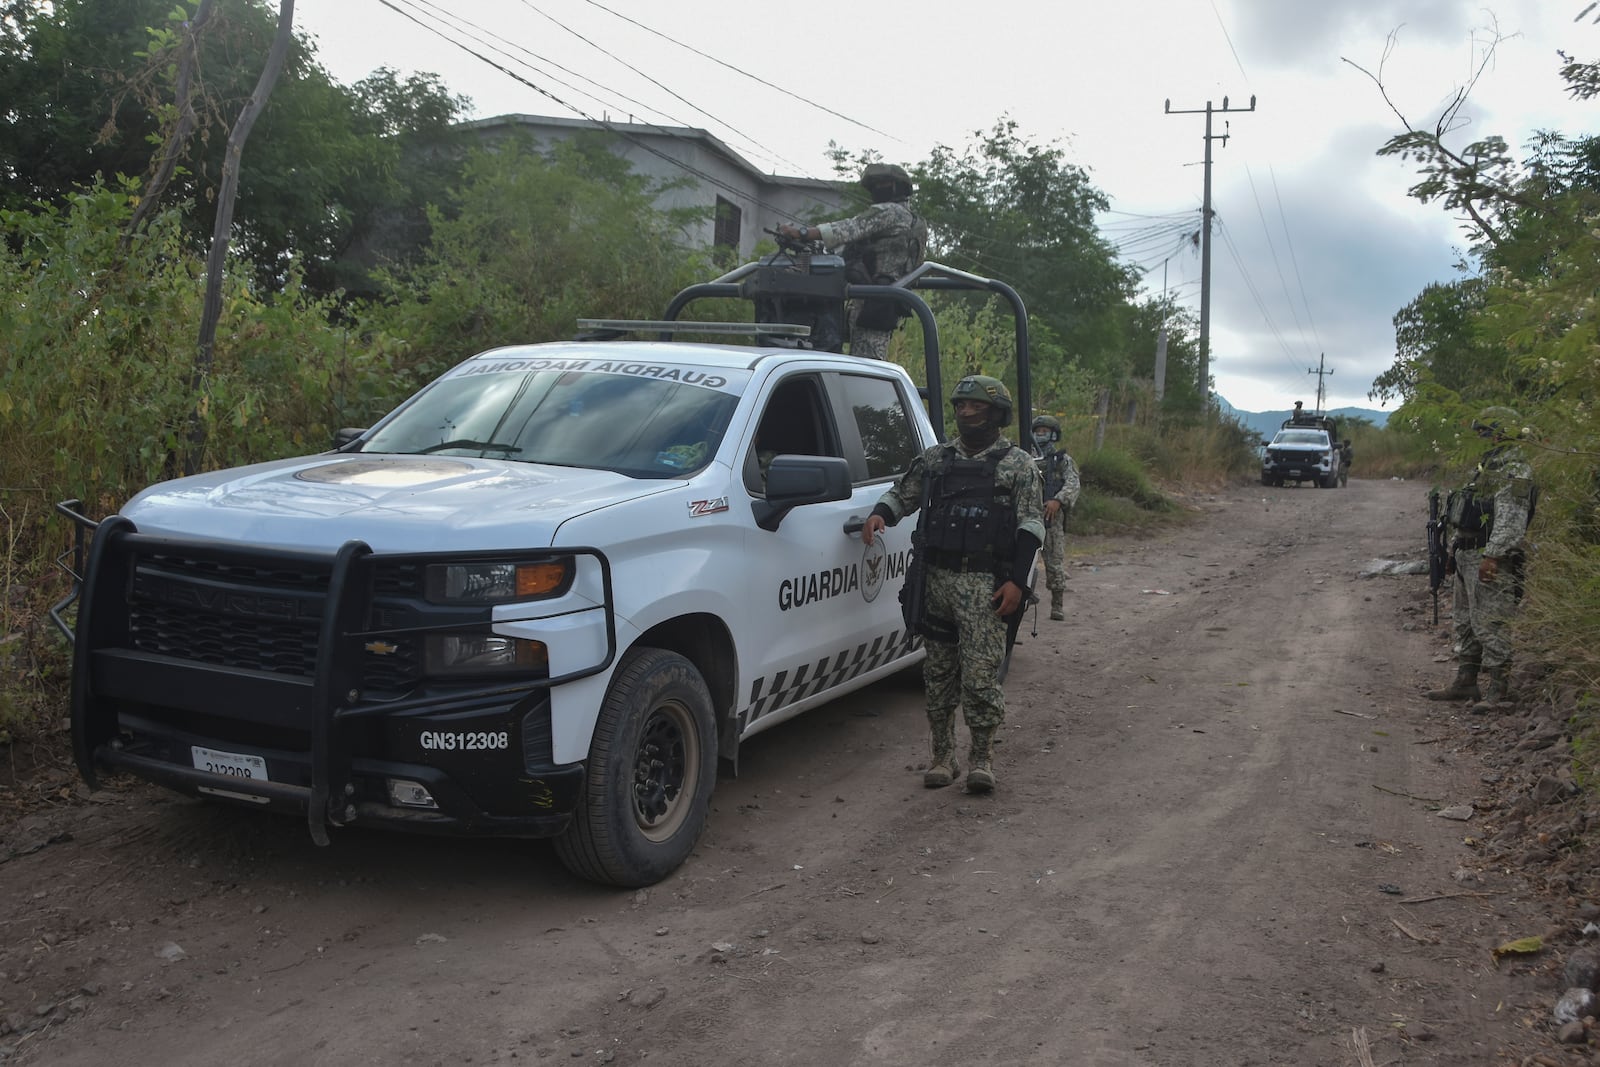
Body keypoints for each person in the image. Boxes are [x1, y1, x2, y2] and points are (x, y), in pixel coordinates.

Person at [862, 375, 1044, 793]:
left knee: (980, 679)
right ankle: (943, 757)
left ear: (996, 414)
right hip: (937, 582)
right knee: (938, 676)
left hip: (985, 586)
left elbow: (1031, 526)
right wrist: (879, 515)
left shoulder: (1017, 465)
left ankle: (982, 758)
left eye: (975, 408)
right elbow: (902, 493)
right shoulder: (936, 459)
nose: (966, 414)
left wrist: (1017, 580)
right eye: (961, 406)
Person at [1425, 406, 1537, 712]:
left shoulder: (1513, 471)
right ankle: (1466, 680)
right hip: (1467, 553)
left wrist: (1493, 555)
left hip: (1489, 556)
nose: (1480, 438)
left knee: (1491, 622)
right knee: (1465, 621)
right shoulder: (1485, 467)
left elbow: (1511, 521)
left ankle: (1499, 689)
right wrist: (1452, 551)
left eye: (1484, 432)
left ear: (1500, 434)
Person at [776, 163, 927, 360]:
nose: (876, 190)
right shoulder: (918, 223)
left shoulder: (890, 212)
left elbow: (849, 228)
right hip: (889, 300)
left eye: (882, 184)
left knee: (864, 366)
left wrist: (802, 233)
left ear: (896, 187)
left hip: (872, 299)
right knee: (867, 361)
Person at [1030, 414, 1081, 620]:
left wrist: (1058, 500)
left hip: (1051, 518)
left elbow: (1073, 483)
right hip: (1027, 516)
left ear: (1053, 435)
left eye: (1045, 432)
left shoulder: (1062, 460)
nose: (1040, 435)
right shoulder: (1026, 457)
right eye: (1037, 431)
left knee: (1054, 562)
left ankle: (1057, 603)